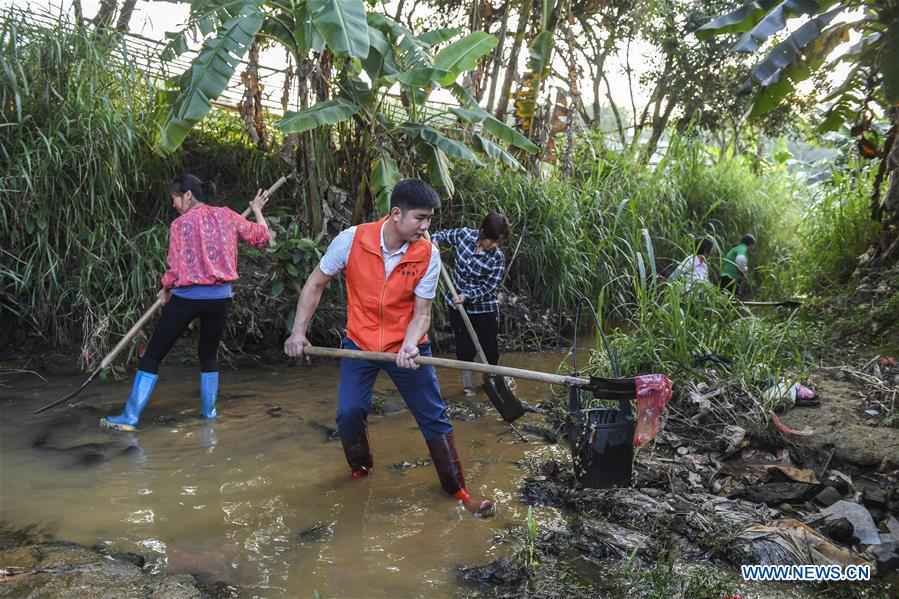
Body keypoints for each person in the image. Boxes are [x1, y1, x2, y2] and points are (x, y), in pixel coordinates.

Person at [283, 179, 494, 517]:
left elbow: (421, 312)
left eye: (430, 220)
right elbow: (315, 283)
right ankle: (361, 468)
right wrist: (298, 333)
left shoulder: (429, 253)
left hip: (406, 349)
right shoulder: (351, 241)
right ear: (396, 214)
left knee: (434, 417)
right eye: (420, 219)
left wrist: (410, 345)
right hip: (360, 344)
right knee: (349, 412)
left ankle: (458, 491)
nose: (426, 227)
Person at [101, 174, 273, 432]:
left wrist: (166, 289)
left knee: (153, 355)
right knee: (208, 355)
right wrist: (258, 211)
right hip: (220, 299)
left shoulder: (180, 225)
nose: (174, 205)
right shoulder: (227, 215)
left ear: (188, 196)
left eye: (175, 199)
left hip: (188, 298)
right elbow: (262, 237)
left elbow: (175, 267)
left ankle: (130, 417)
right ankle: (209, 414)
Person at [431, 213, 509, 396]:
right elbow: (440, 235)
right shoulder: (464, 235)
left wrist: (467, 296)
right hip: (457, 307)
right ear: (483, 232)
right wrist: (434, 242)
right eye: (492, 240)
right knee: (464, 349)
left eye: (499, 242)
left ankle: (491, 385)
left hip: (484, 309)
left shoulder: (497, 258)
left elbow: (490, 287)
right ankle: (468, 388)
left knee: (490, 350)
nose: (495, 245)